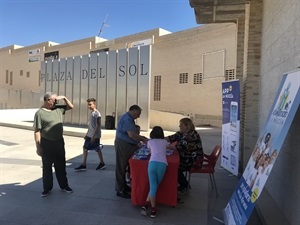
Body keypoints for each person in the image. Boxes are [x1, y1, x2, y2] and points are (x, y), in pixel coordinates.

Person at [33, 92, 74, 197]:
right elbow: (37, 131)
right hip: (47, 143)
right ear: (48, 100)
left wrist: (64, 97)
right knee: (47, 167)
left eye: (57, 100)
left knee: (61, 166)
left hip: (59, 142)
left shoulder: (58, 108)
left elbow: (71, 106)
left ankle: (64, 186)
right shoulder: (40, 113)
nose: (56, 101)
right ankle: (47, 188)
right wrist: (38, 147)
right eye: (54, 100)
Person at [115, 105, 148, 198]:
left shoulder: (129, 119)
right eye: (138, 114)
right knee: (121, 167)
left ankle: (124, 186)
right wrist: (143, 139)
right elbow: (131, 135)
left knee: (125, 166)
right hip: (123, 145)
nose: (138, 116)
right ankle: (120, 190)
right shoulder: (127, 119)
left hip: (127, 144)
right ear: (133, 111)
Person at [166, 117, 204, 193]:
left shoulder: (191, 136)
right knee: (173, 164)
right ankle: (181, 183)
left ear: (187, 126)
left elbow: (176, 147)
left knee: (174, 167)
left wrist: (160, 145)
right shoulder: (183, 133)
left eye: (181, 125)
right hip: (186, 157)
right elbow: (171, 138)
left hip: (193, 160)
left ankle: (184, 185)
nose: (179, 126)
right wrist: (158, 139)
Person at [141, 126, 170, 218]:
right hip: (162, 164)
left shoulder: (150, 142)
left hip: (152, 164)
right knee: (155, 186)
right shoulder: (165, 142)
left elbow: (150, 151)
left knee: (153, 186)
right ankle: (153, 209)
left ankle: (146, 205)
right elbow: (168, 148)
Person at [75, 98, 106, 171]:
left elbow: (98, 125)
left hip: (95, 135)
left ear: (94, 104)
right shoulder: (91, 113)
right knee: (86, 148)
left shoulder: (97, 114)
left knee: (96, 148)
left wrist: (93, 136)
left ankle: (101, 163)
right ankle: (84, 164)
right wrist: (87, 134)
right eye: (88, 105)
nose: (89, 106)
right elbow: (90, 125)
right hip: (90, 134)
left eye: (90, 104)